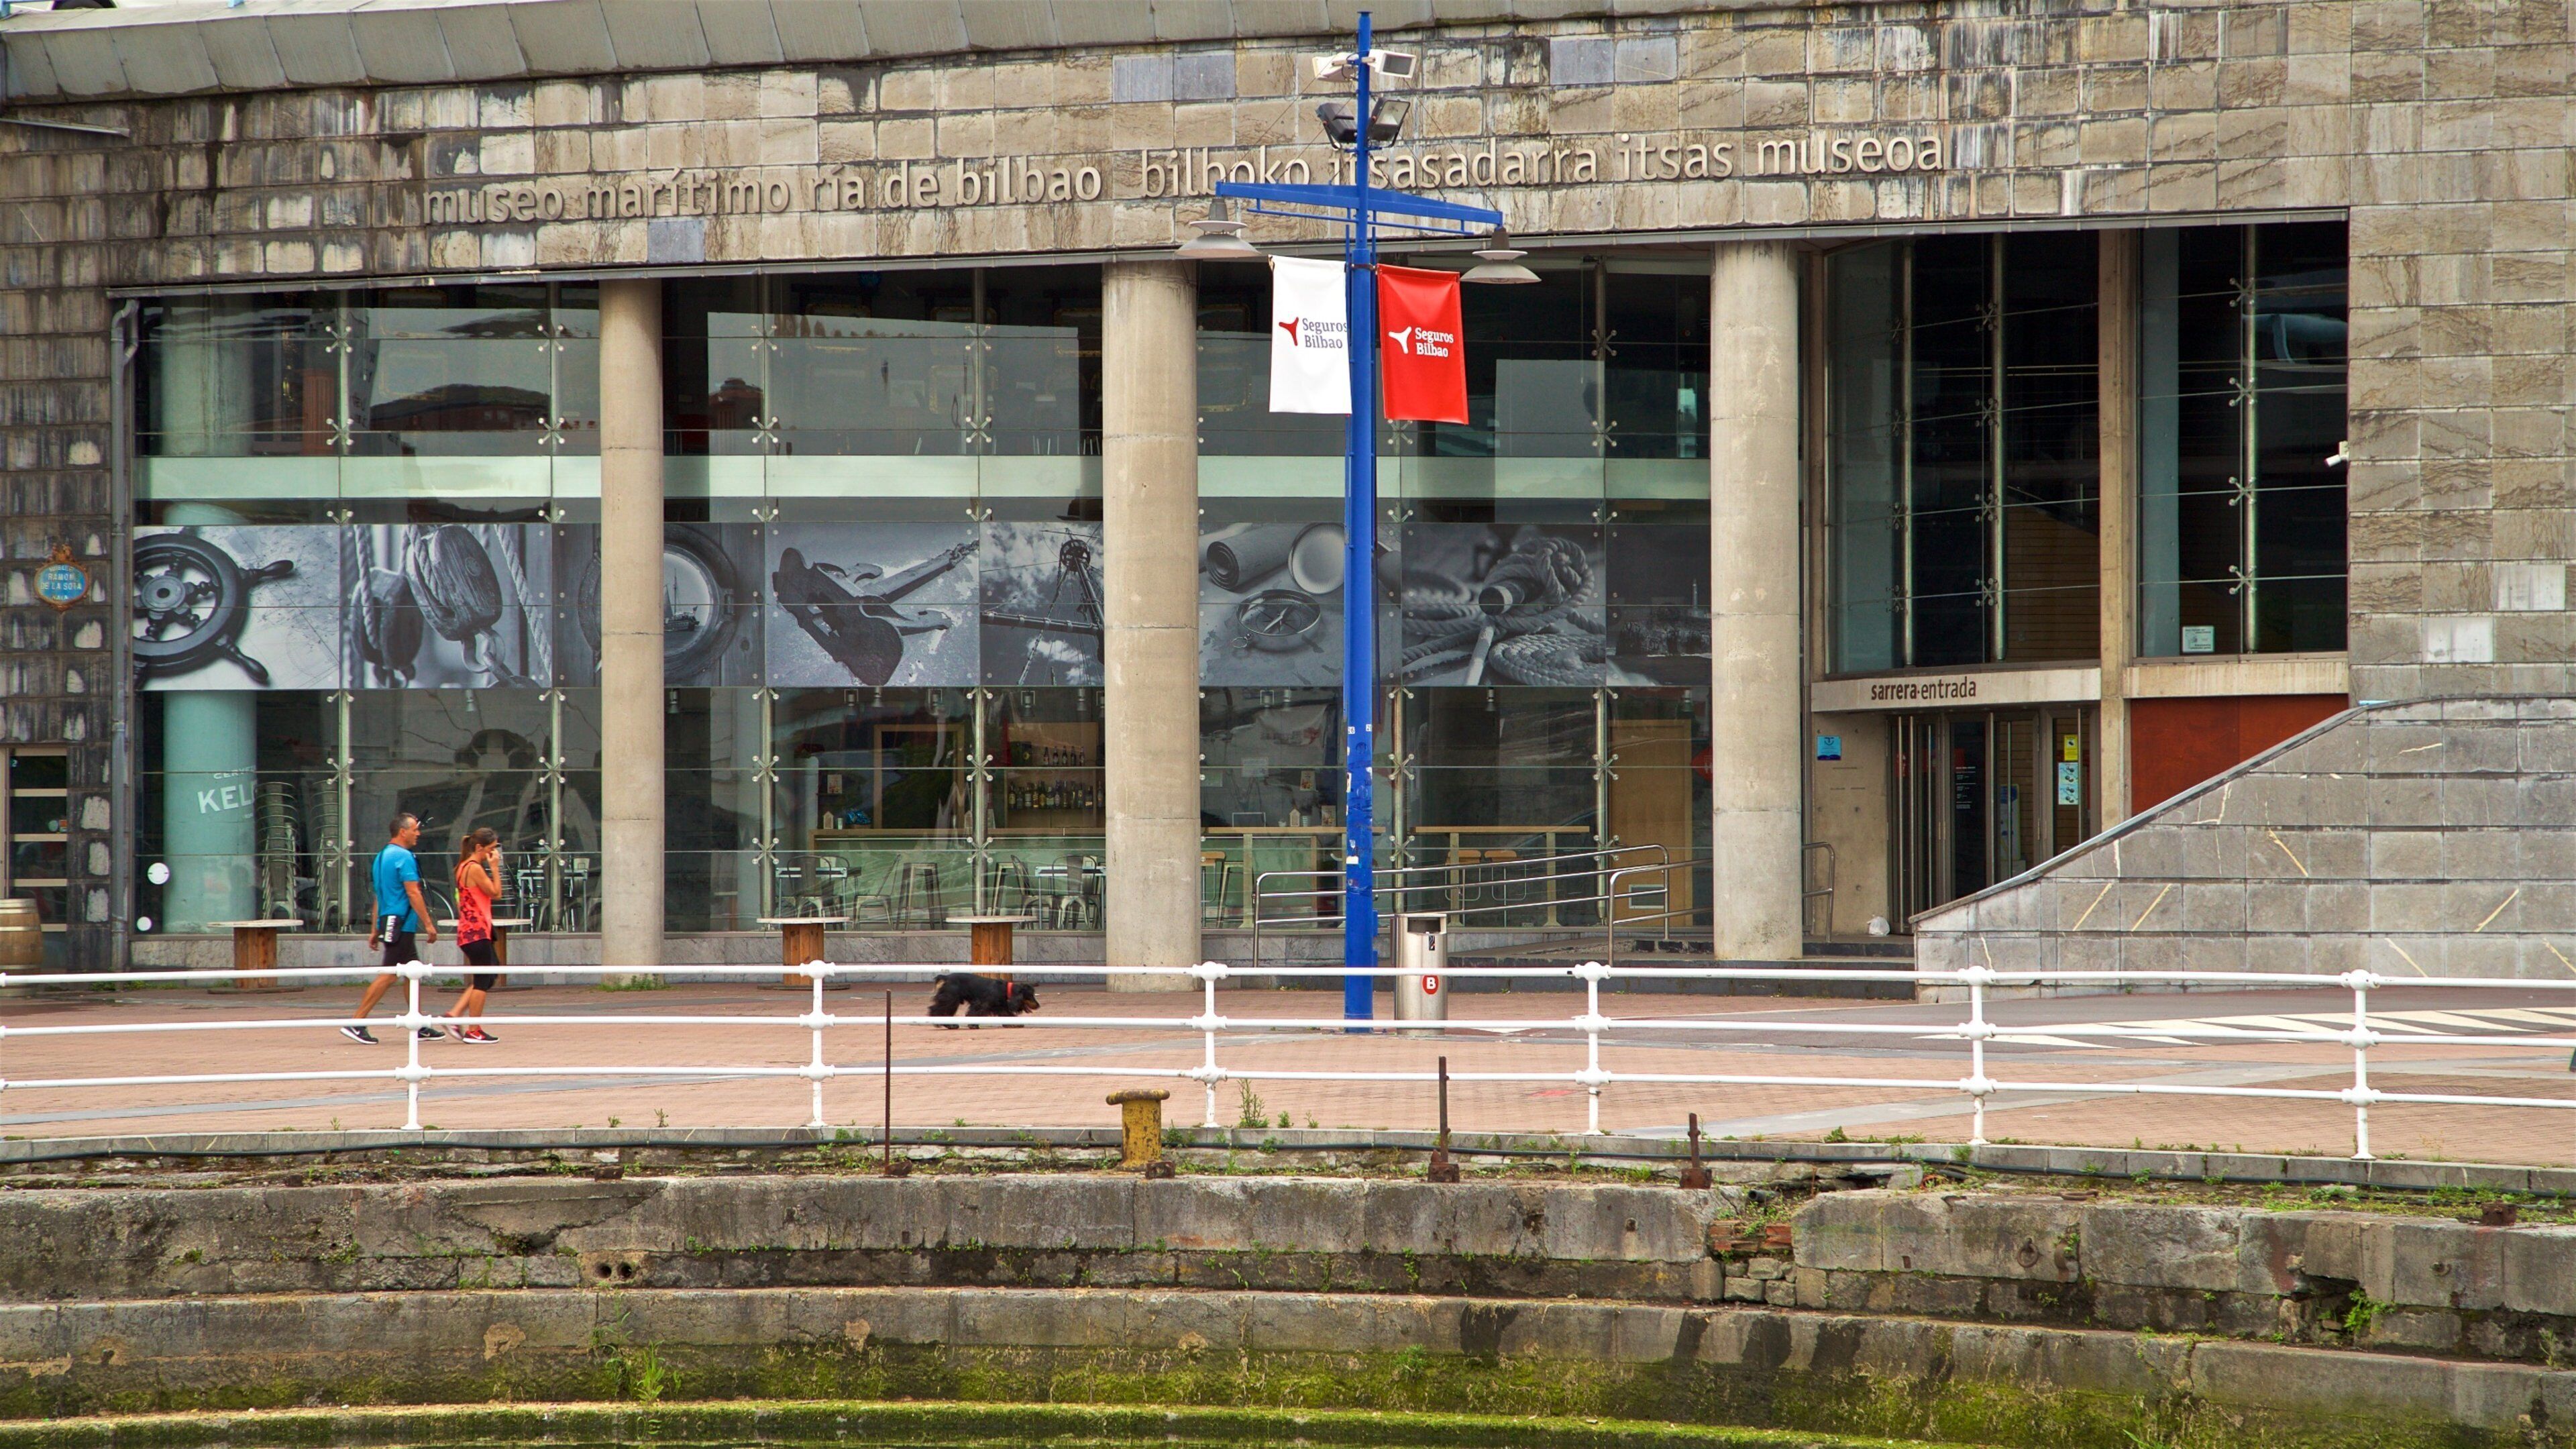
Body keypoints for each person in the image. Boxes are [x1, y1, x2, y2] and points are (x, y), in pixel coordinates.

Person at [344, 812, 441, 1044]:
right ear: (402, 832)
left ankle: (418, 1023)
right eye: (415, 829)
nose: (419, 833)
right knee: (390, 974)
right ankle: (356, 1022)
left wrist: (375, 928)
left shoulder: (381, 857)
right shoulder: (404, 857)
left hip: (391, 922)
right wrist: (428, 923)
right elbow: (413, 892)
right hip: (401, 923)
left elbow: (380, 895)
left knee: (412, 972)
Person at [445, 828, 503, 1044]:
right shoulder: (474, 868)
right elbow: (496, 893)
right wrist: (495, 868)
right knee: (482, 980)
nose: (493, 853)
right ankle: (473, 1029)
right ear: (479, 848)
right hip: (476, 931)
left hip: (472, 931)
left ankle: (454, 1015)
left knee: (489, 973)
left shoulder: (461, 867)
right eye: (491, 849)